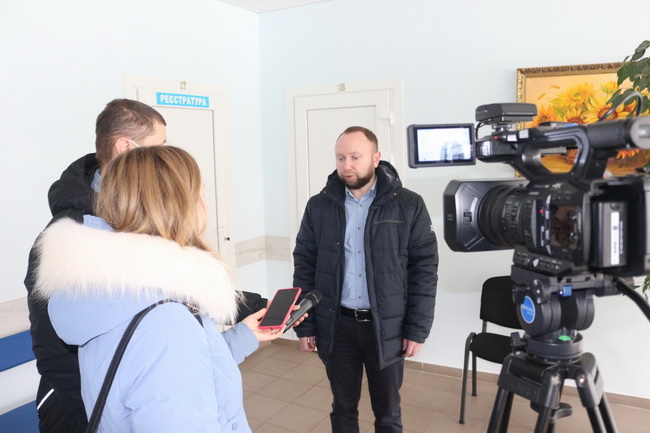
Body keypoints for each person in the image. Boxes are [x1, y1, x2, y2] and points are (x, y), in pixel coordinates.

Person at [24, 99, 267, 432]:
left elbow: (171, 356)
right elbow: (162, 347)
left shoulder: (139, 290)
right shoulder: (162, 318)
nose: (203, 204)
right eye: (197, 194)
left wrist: (245, 331)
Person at [292, 126, 439, 433]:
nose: (347, 165)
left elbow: (424, 271)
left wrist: (417, 329)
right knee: (343, 408)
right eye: (341, 157)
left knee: (388, 413)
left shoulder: (409, 204)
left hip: (386, 326)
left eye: (355, 157)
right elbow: (305, 265)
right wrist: (304, 324)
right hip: (337, 325)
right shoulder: (318, 206)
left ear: (375, 158)